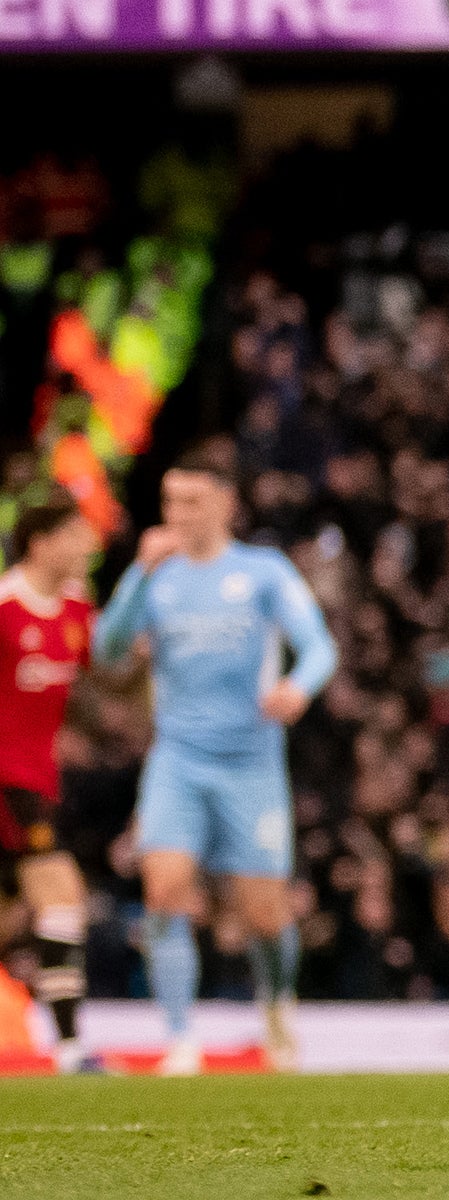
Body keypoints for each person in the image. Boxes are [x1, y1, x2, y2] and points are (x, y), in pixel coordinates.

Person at [93, 450, 338, 1075]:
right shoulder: (158, 576)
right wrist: (135, 578)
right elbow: (109, 652)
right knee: (165, 890)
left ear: (226, 504)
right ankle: (180, 1039)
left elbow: (318, 646)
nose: (177, 514)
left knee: (263, 912)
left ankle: (277, 1002)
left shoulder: (262, 572)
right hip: (176, 757)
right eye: (170, 501)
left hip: (250, 764)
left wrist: (298, 689)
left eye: (191, 501)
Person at [0, 484, 105, 1071]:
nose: (88, 543)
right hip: (6, 777)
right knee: (61, 894)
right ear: (40, 544)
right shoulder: (5, 605)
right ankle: (68, 1048)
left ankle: (66, 1045)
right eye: (75, 533)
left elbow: (93, 685)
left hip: (39, 780)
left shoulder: (75, 608)